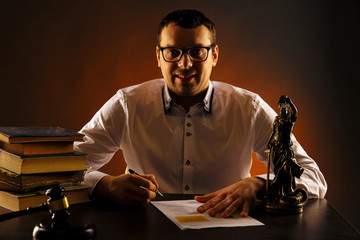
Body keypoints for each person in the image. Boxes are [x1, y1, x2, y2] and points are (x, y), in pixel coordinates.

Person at [74, 9, 327, 218]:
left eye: (197, 52)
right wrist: (103, 186)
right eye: (173, 52)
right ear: (158, 57)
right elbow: (59, 172)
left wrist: (260, 185)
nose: (185, 64)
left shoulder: (248, 107)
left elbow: (314, 177)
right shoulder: (127, 105)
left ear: (214, 55)